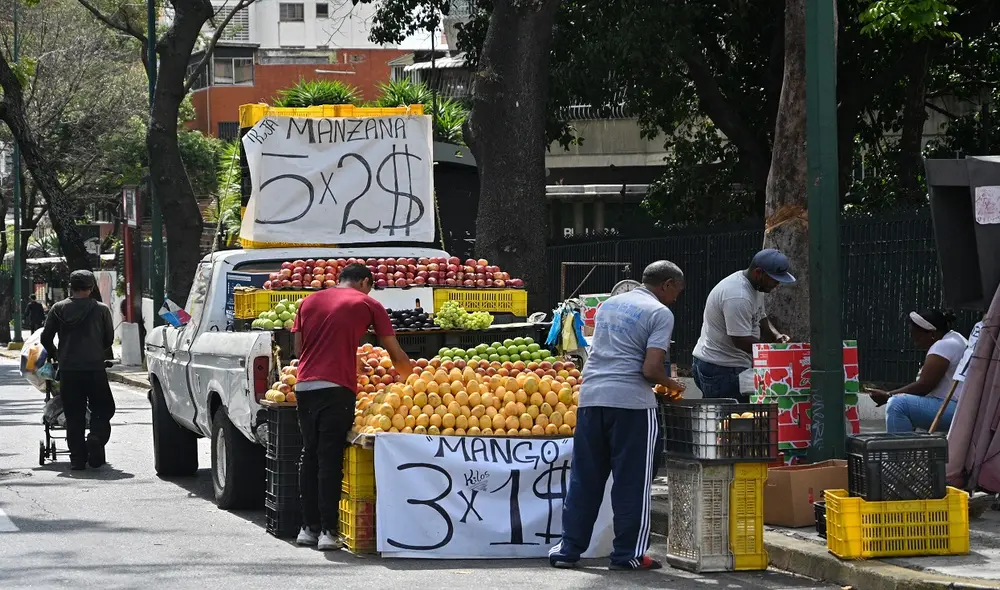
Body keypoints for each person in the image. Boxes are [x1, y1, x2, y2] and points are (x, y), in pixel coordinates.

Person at [549, 260, 686, 571]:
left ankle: (568, 550)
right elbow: (650, 370)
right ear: (666, 285)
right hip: (631, 405)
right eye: (677, 291)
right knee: (633, 482)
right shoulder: (660, 313)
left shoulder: (610, 305)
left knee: (585, 478)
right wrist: (672, 384)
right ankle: (627, 554)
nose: (676, 298)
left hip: (591, 398)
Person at [291, 263, 412, 551]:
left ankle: (307, 528)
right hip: (337, 389)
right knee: (329, 457)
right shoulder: (368, 303)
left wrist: (346, 358)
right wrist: (412, 381)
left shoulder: (308, 301)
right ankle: (328, 532)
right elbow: (394, 352)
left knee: (310, 454)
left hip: (304, 386)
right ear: (365, 282)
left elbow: (300, 350)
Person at [691, 249, 796, 403]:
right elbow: (740, 339)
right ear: (758, 273)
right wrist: (773, 353)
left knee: (734, 416)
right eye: (774, 279)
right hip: (721, 369)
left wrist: (776, 336)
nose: (777, 284)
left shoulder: (756, 287)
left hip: (729, 365)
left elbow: (760, 316)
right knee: (732, 416)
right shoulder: (738, 296)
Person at [40, 270, 116, 470]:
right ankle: (96, 437)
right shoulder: (101, 310)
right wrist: (96, 350)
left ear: (70, 287)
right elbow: (108, 339)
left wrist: (56, 354)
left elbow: (45, 338)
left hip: (68, 370)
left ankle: (77, 459)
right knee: (104, 408)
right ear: (91, 288)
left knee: (74, 415)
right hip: (94, 369)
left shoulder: (58, 309)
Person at [868, 309, 968, 433]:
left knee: (897, 404)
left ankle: (899, 446)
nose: (916, 343)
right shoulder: (956, 339)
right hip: (961, 407)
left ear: (932, 334)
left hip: (953, 409)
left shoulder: (943, 345)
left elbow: (924, 386)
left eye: (917, 337)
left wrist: (888, 395)